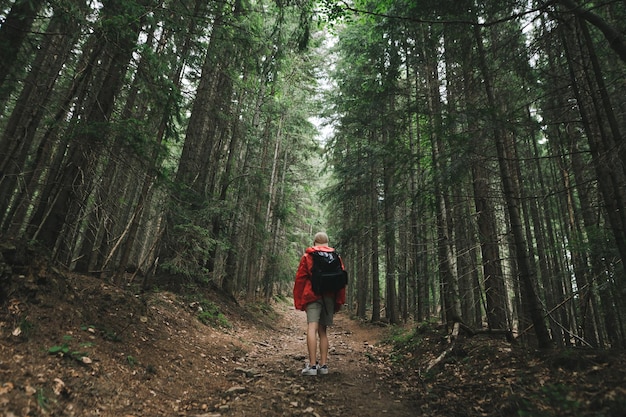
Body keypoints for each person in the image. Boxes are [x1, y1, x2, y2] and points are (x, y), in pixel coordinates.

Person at [293, 232, 346, 376]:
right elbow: (341, 281)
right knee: (323, 331)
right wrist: (339, 301)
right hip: (329, 296)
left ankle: (312, 366)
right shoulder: (336, 257)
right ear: (327, 243)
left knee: (312, 327)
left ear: (315, 242)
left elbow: (300, 279)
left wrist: (299, 301)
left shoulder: (308, 256)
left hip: (312, 295)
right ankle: (323, 366)